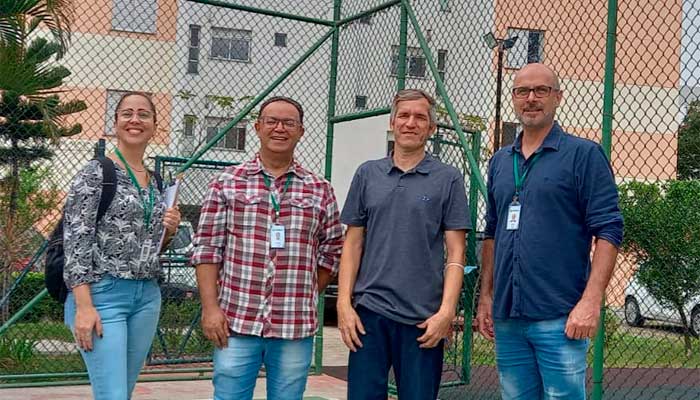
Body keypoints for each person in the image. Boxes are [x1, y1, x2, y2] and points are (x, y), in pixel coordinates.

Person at [475, 63, 623, 400]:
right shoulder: (500, 160)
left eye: (541, 90)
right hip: (508, 317)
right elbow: (492, 231)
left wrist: (591, 301)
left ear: (557, 97)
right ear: (513, 98)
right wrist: (486, 296)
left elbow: (609, 229)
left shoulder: (583, 155)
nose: (531, 99)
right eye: (522, 91)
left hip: (560, 316)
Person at [191, 96, 343, 400]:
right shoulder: (226, 183)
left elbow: (332, 249)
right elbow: (207, 249)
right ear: (258, 128)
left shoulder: (319, 189)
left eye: (289, 123)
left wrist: (308, 289)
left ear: (301, 131)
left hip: (294, 325)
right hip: (236, 320)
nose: (280, 128)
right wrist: (210, 309)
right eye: (272, 121)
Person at [337, 89, 470, 400]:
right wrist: (344, 305)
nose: (411, 123)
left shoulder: (448, 179)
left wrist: (446, 313)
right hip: (369, 315)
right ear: (392, 122)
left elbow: (456, 252)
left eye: (420, 117)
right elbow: (353, 244)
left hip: (423, 320)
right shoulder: (367, 173)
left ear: (431, 128)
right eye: (404, 115)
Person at [63, 91, 181, 400]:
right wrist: (84, 307)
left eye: (144, 114)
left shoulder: (156, 181)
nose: (135, 119)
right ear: (115, 123)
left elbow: (152, 245)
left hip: (146, 296)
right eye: (127, 113)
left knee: (122, 393)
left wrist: (168, 231)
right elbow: (76, 241)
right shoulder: (97, 172)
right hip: (103, 294)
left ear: (155, 125)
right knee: (112, 394)